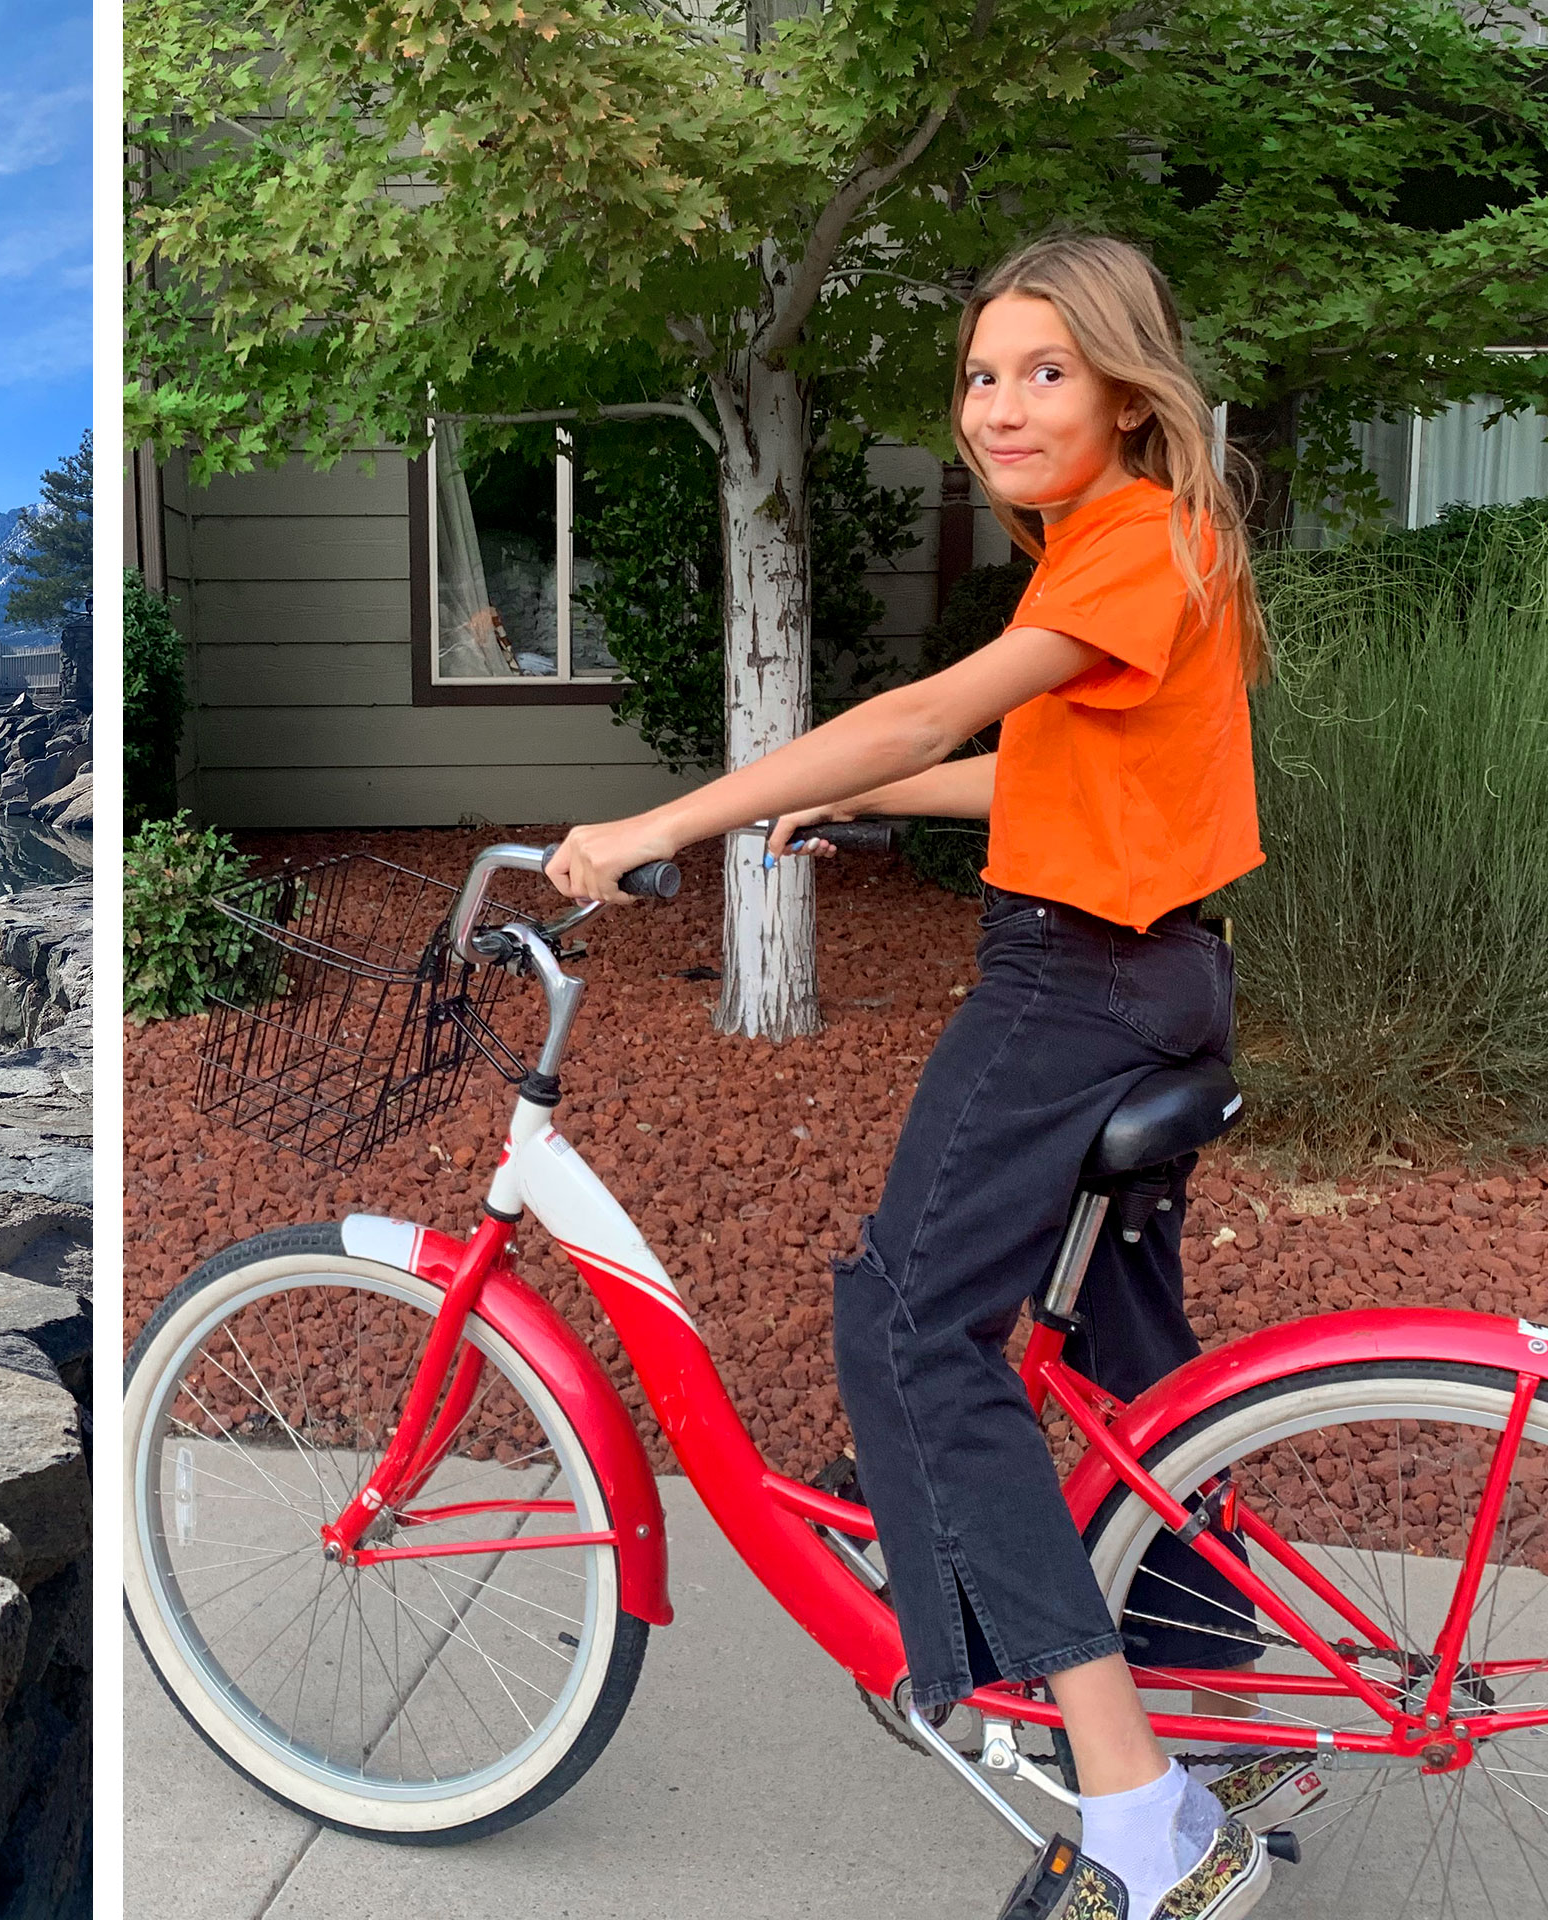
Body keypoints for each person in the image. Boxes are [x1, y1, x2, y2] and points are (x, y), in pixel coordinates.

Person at [545, 234, 1286, 1920]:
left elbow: (925, 713)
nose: (1001, 406)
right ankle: (1213, 1706)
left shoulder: (1129, 539)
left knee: (907, 1325)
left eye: (1046, 372)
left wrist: (670, 819)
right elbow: (1054, 772)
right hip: (1161, 976)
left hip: (1076, 987)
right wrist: (865, 803)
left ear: (1127, 390)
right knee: (1129, 1365)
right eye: (980, 375)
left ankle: (1142, 1817)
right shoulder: (1134, 545)